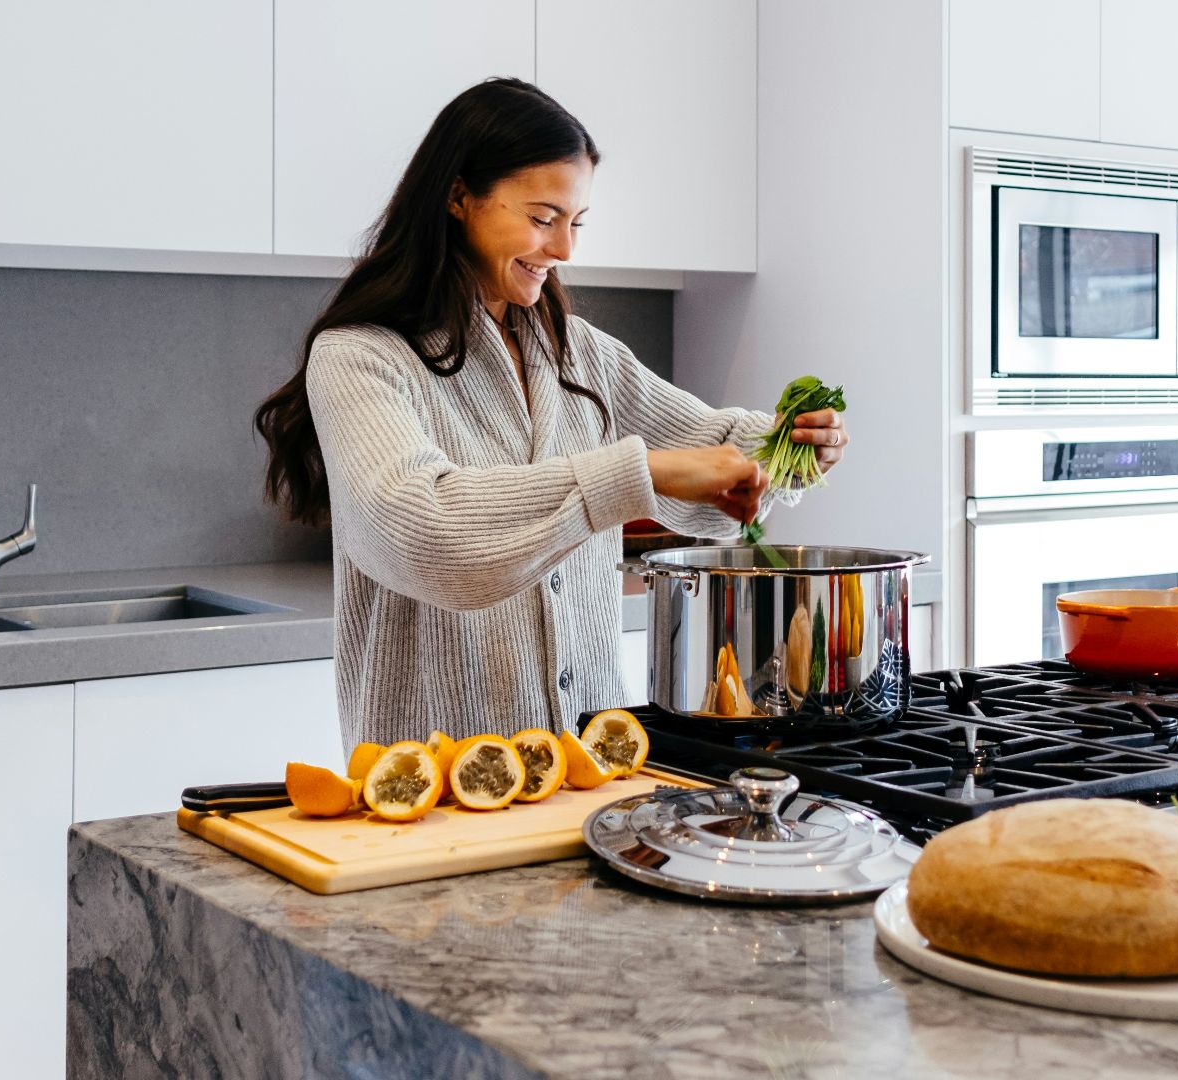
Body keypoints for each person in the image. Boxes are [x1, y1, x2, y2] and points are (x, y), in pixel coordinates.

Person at [255, 78, 847, 750]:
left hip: (594, 765)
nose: (565, 249)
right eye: (543, 218)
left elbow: (712, 450)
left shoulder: (579, 352)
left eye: (576, 222)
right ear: (458, 197)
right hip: (435, 779)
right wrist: (637, 475)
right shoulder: (361, 357)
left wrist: (792, 446)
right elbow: (423, 532)